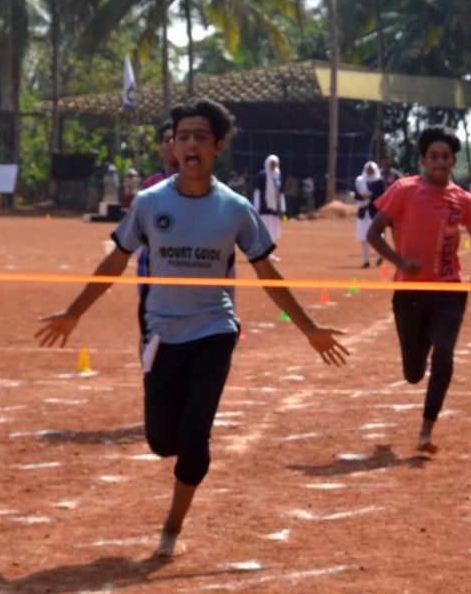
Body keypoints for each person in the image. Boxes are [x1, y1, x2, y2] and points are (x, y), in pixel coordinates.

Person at [35, 98, 348, 558]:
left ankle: (171, 529)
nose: (190, 144)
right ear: (173, 147)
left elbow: (268, 274)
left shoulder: (236, 208)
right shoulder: (149, 203)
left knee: (194, 441)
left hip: (214, 331)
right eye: (183, 137)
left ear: (217, 146)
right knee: (162, 441)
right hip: (161, 333)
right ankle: (177, 465)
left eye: (200, 136)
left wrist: (310, 328)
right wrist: (73, 311)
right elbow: (115, 260)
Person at [367, 126, 471, 453]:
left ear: (453, 160)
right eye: (433, 156)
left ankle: (426, 430)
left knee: (445, 355)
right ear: (423, 159)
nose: (439, 161)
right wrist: (401, 262)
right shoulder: (404, 190)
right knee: (413, 373)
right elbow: (374, 234)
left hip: (449, 292)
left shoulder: (462, 199)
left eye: (445, 156)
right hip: (410, 295)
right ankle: (416, 373)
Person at [136, 120, 179, 340]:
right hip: (152, 272)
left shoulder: (199, 184)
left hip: (187, 271)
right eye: (166, 139)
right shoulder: (149, 186)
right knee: (151, 337)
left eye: (176, 138)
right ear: (160, 147)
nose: (171, 143)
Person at [354, 161, 385, 268]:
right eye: (368, 169)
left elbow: (382, 196)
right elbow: (356, 195)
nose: (370, 171)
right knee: (363, 238)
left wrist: (371, 197)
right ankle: (366, 261)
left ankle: (382, 254)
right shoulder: (360, 181)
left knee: (378, 236)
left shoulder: (379, 182)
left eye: (372, 170)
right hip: (363, 213)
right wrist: (362, 197)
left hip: (375, 212)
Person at [252, 155, 285, 244]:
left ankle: (270, 249)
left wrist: (282, 208)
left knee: (273, 229)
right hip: (263, 206)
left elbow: (280, 193)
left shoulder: (278, 176)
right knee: (264, 228)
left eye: (275, 164)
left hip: (274, 208)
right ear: (267, 163)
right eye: (271, 163)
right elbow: (258, 192)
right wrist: (257, 206)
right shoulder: (262, 175)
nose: (273, 165)